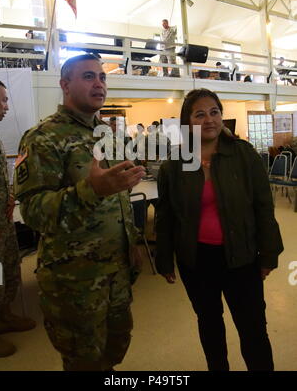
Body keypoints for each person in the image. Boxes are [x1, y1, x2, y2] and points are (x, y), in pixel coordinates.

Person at [14, 54, 146, 371]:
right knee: (84, 361)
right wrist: (91, 191)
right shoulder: (42, 138)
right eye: (88, 76)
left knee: (114, 350)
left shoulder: (109, 134)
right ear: (64, 85)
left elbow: (120, 199)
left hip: (116, 273)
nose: (99, 83)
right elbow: (32, 211)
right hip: (75, 284)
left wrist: (133, 242)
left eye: (102, 77)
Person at [155, 88, 284, 371]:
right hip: (197, 261)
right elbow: (165, 218)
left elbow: (263, 207)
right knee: (210, 324)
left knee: (253, 329)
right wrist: (163, 259)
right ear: (187, 122)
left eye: (214, 112)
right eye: (200, 114)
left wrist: (269, 254)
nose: (209, 119)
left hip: (241, 257)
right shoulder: (175, 166)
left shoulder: (243, 155)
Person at [0, 80, 36, 358]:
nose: (7, 106)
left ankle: (3, 315)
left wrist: (10, 198)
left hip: (3, 220)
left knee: (9, 270)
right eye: (2, 100)